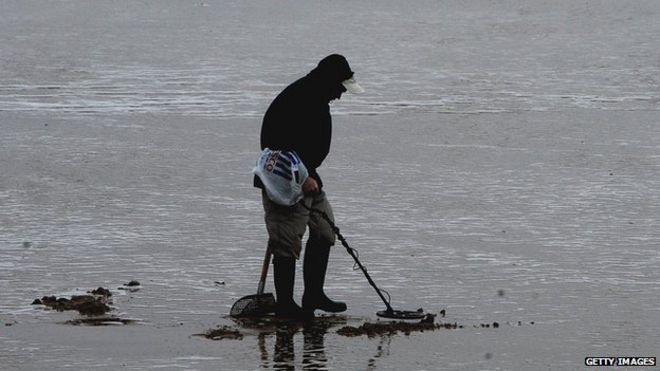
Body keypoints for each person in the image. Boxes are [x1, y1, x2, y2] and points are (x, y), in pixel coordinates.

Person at [254, 54, 364, 318]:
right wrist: (302, 178)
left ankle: (313, 294)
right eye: (340, 88)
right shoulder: (298, 98)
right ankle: (286, 306)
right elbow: (276, 144)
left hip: (308, 178)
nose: (341, 95)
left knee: (325, 231)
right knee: (287, 242)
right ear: (330, 81)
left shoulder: (318, 97)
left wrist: (310, 175)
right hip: (283, 184)